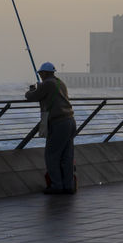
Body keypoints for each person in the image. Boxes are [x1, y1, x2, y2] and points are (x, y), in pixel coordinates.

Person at [25, 62, 76, 194]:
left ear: (45, 73)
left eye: (41, 73)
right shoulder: (60, 83)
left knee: (51, 155)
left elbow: (32, 97)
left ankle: (57, 186)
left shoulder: (47, 83)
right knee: (67, 156)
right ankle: (68, 186)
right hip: (70, 121)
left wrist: (31, 90)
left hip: (59, 123)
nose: (40, 75)